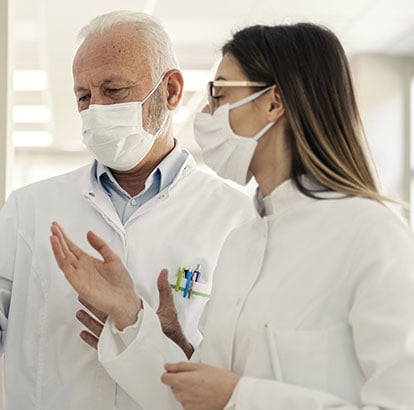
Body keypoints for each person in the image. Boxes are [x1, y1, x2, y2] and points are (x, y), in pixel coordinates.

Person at [52, 22, 414, 409]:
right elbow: (196, 395)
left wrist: (241, 397)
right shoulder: (242, 244)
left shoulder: (371, 233)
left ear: (274, 102)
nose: (206, 114)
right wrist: (130, 315)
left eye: (220, 94)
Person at [0, 11, 255, 409]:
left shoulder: (237, 218)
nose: (95, 108)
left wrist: (177, 345)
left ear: (171, 91)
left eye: (113, 90)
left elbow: (242, 384)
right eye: (84, 96)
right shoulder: (32, 208)